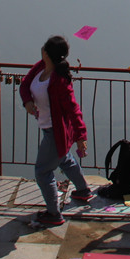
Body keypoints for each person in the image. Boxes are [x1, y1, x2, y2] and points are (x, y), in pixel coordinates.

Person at [19, 35, 92, 226]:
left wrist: (80, 136)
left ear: (47, 53)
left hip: (56, 131)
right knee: (64, 159)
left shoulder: (59, 80)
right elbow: (25, 84)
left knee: (43, 171)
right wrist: (27, 101)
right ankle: (83, 191)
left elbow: (73, 109)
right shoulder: (39, 68)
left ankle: (54, 213)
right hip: (48, 127)